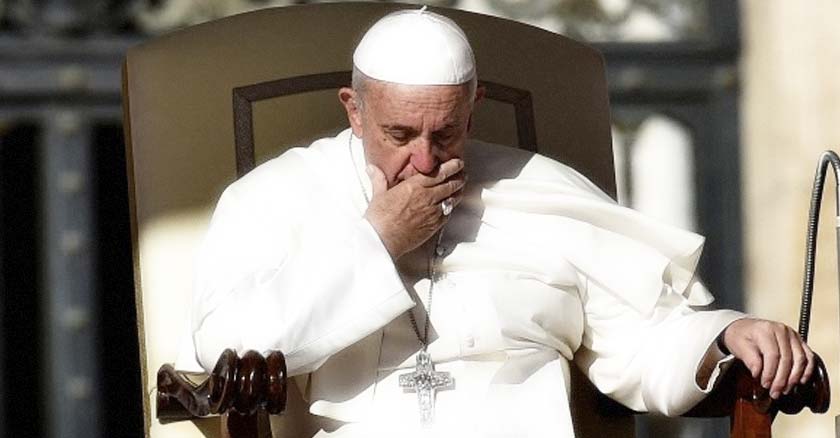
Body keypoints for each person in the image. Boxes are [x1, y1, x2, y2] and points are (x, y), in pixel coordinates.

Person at [185, 8, 814, 438]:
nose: (425, 159)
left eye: (446, 130)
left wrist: (727, 335)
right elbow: (230, 350)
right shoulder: (275, 197)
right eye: (399, 134)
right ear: (354, 109)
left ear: (474, 108)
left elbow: (642, 344)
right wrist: (377, 241)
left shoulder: (541, 190)